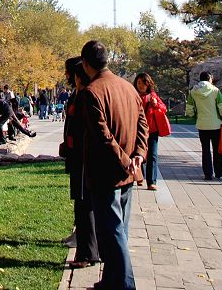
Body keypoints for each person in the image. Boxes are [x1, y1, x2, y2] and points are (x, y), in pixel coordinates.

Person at [80, 40, 148, 290]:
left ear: (86, 63)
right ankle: (111, 280)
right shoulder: (128, 88)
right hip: (128, 172)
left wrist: (127, 159)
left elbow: (102, 135)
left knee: (113, 232)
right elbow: (143, 125)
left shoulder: (92, 91)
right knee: (118, 231)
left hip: (106, 173)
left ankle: (124, 284)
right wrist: (138, 155)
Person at [60, 57, 100, 270]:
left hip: (84, 159)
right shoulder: (79, 94)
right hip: (77, 157)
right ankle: (88, 248)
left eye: (71, 74)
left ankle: (87, 252)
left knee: (85, 206)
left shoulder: (86, 96)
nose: (68, 77)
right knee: (82, 205)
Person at [186, 70, 222, 180]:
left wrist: (194, 116)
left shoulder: (193, 92)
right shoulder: (215, 90)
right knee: (216, 150)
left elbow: (189, 109)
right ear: (210, 79)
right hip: (216, 125)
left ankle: (208, 173)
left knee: (205, 150)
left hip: (202, 125)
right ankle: (219, 172)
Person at [134, 72, 164, 191]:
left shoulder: (152, 96)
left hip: (152, 130)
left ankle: (151, 182)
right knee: (138, 153)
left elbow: (163, 108)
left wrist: (156, 105)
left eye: (144, 83)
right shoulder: (133, 95)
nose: (141, 86)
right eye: (139, 83)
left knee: (152, 155)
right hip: (137, 130)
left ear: (148, 84)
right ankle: (139, 176)